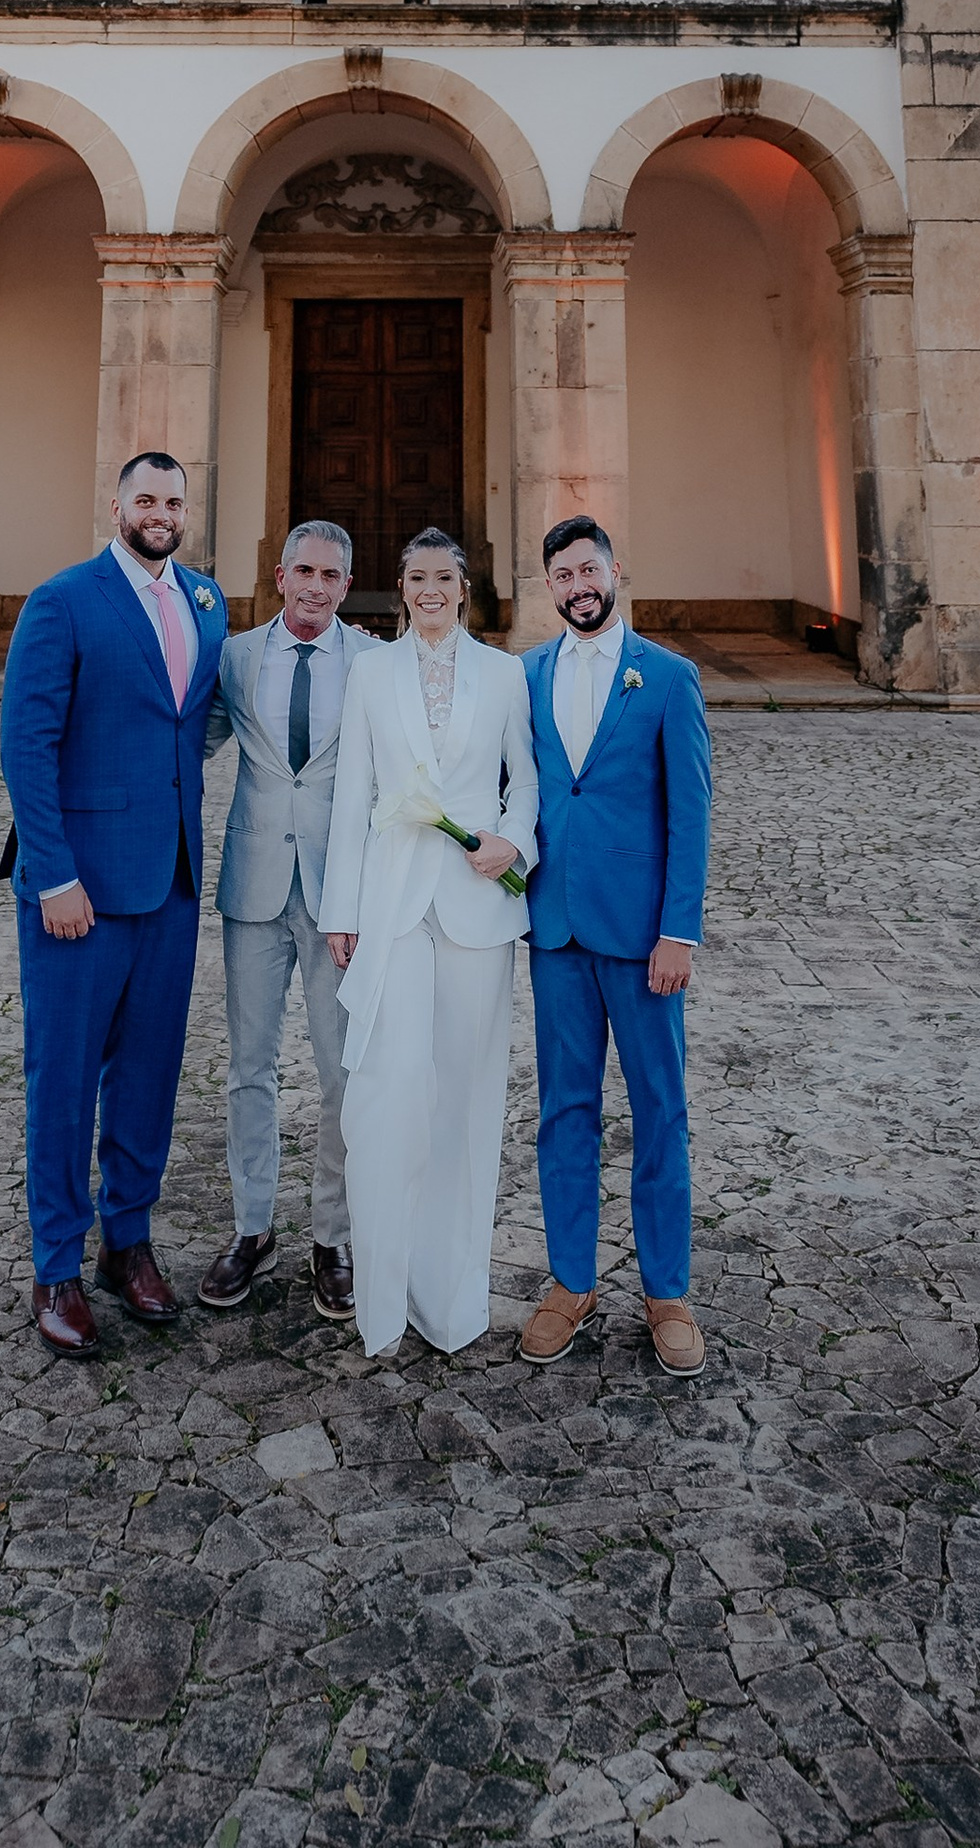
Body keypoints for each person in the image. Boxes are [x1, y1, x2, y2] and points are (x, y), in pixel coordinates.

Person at [0, 451, 228, 1356]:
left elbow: (194, 725)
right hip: (79, 892)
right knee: (61, 1080)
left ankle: (125, 1245)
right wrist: (54, 875)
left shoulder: (206, 600)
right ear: (118, 505)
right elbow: (28, 744)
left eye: (174, 500)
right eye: (146, 499)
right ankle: (55, 1264)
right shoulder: (63, 600)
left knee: (148, 1076)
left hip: (169, 881)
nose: (161, 513)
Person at [319, 526, 538, 1361]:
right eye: (417, 577)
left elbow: (529, 782)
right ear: (400, 589)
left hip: (479, 908)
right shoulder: (371, 672)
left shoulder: (505, 673)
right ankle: (382, 1297)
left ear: (465, 588)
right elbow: (351, 797)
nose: (432, 589)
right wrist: (345, 908)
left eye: (445, 576)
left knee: (468, 1103)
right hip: (392, 906)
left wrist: (512, 844)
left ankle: (450, 1302)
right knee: (388, 1094)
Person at [515, 514, 714, 1378]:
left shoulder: (668, 679)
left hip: (641, 942)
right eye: (562, 576)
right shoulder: (523, 676)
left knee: (659, 1110)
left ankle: (667, 1291)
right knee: (564, 1112)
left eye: (588, 570)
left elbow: (692, 813)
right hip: (554, 929)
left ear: (614, 571)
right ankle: (570, 1282)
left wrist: (679, 930)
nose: (577, 586)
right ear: (549, 586)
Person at [197, 517, 371, 1320]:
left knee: (341, 1072)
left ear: (345, 585)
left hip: (342, 899)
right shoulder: (235, 656)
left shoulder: (373, 664)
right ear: (278, 574)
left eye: (330, 575)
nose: (314, 586)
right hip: (255, 884)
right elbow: (188, 740)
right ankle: (252, 1226)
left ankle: (331, 1235)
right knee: (249, 1068)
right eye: (302, 570)